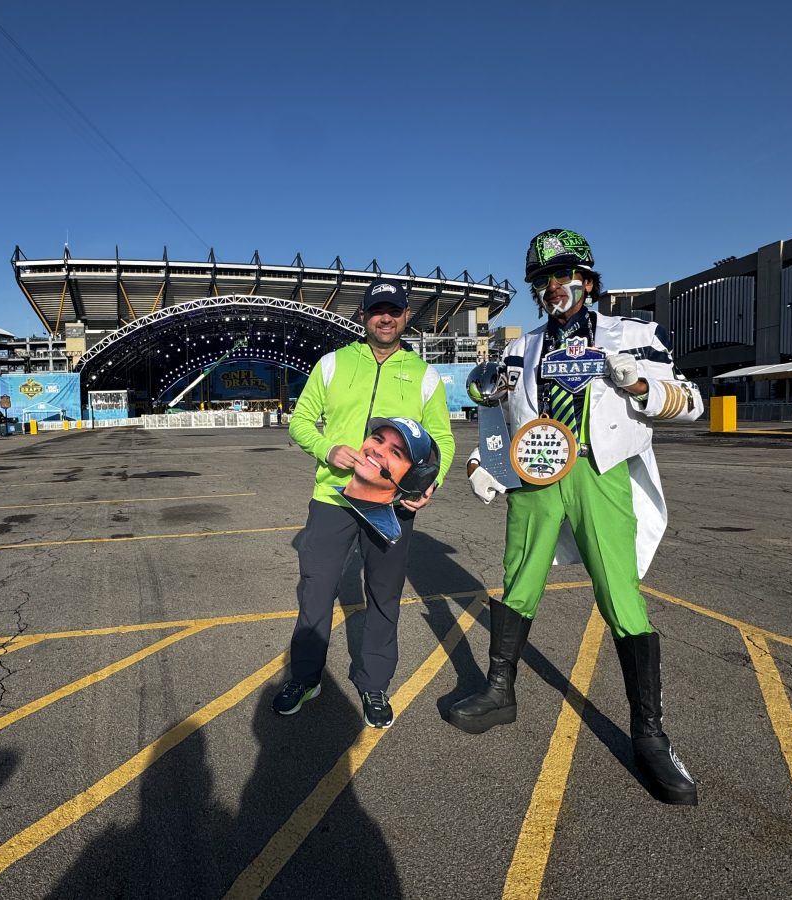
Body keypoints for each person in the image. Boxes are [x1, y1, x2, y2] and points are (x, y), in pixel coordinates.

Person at [451, 229, 703, 805]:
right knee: (518, 582)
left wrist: (639, 383)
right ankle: (499, 691)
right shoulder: (521, 347)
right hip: (536, 472)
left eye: (564, 275)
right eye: (543, 280)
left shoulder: (633, 335)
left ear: (588, 281)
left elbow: (691, 400)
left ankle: (650, 733)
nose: (553, 287)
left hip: (599, 471)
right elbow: (499, 416)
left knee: (619, 593)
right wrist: (482, 461)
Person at [276, 278, 455, 729]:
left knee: (383, 594)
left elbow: (442, 438)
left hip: (391, 505)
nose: (386, 318)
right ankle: (306, 678)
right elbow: (300, 421)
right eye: (378, 310)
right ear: (364, 316)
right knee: (316, 590)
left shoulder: (425, 375)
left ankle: (374, 682)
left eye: (394, 310)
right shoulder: (333, 364)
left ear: (406, 316)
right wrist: (327, 449)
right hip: (332, 498)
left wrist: (431, 482)